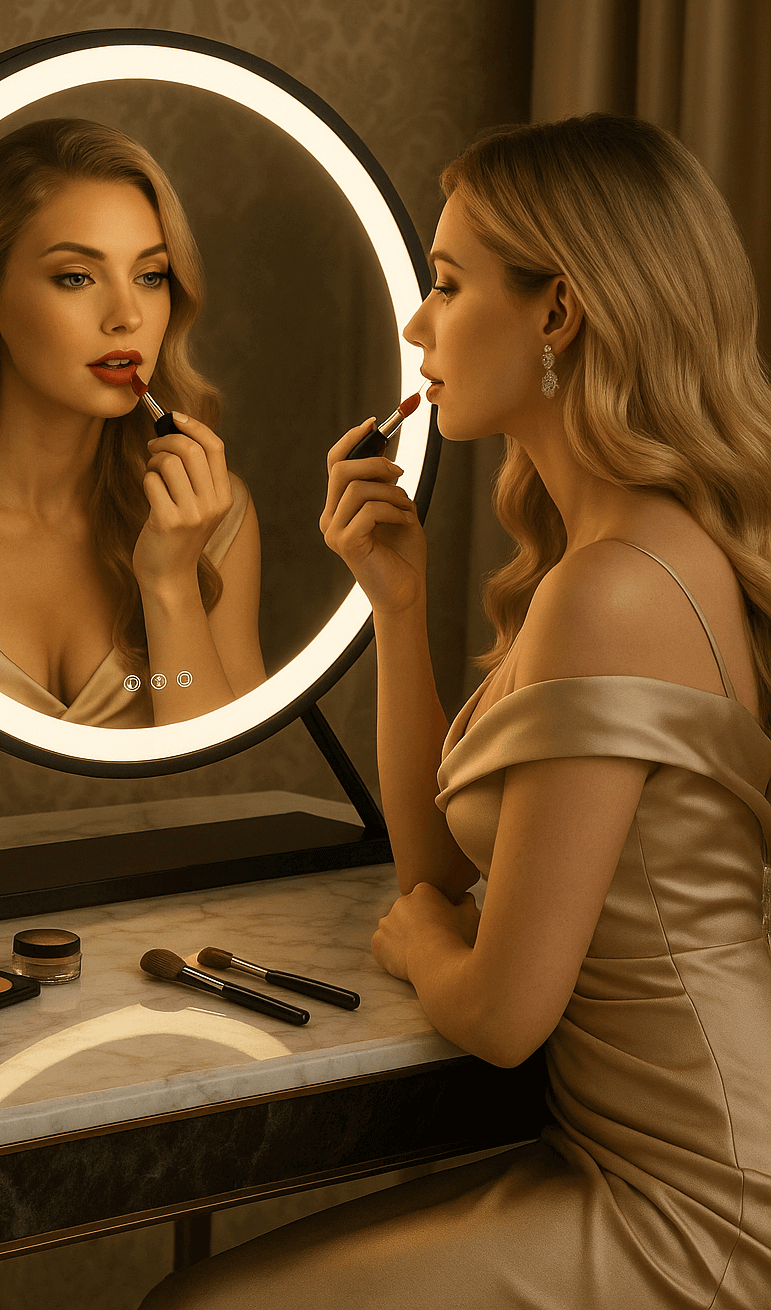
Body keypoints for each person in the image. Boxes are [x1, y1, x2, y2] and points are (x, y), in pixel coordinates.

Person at [138, 114, 771, 1306]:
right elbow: (437, 862)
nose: (415, 326)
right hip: (627, 1160)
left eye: (445, 282)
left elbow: (499, 1014)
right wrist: (395, 605)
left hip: (703, 1208)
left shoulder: (612, 590)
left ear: (558, 311)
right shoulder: (615, 560)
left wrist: (421, 944)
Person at [0, 118, 265, 728]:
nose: (127, 316)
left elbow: (229, 774)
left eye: (150, 276)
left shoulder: (211, 516)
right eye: (76, 277)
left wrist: (170, 583)